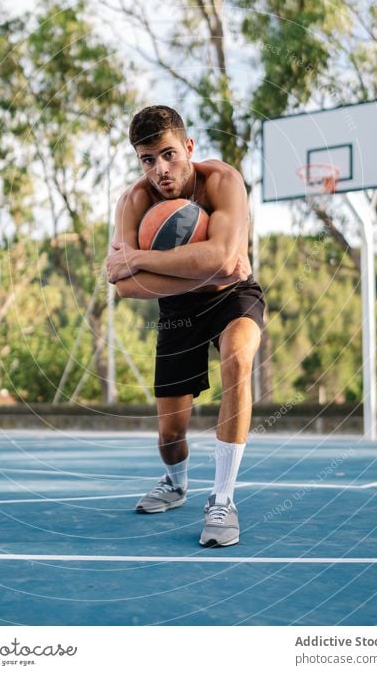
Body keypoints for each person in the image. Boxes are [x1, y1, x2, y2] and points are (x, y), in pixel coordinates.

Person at [106, 105, 265, 547]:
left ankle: (223, 500)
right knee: (170, 436)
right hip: (178, 309)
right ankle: (176, 483)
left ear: (189, 147)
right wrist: (208, 266)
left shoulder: (223, 182)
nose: (160, 169)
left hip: (234, 296)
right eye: (147, 159)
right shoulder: (134, 201)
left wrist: (137, 257)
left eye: (169, 154)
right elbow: (124, 287)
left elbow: (225, 263)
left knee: (238, 356)